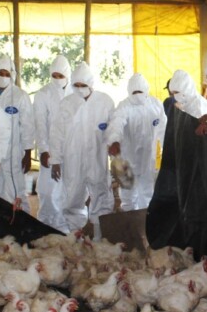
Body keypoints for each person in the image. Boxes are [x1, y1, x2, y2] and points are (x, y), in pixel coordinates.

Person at [49, 62, 115, 237]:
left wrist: (115, 146)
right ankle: (76, 236)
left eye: (83, 85)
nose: (79, 89)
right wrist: (55, 160)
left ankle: (100, 236)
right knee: (72, 197)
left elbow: (114, 129)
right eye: (76, 85)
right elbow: (56, 134)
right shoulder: (66, 104)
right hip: (73, 160)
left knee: (101, 193)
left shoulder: (105, 101)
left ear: (91, 84)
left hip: (97, 158)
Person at [107, 73, 167, 211]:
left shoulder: (156, 105)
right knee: (128, 196)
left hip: (148, 158)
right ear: (129, 92)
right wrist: (114, 140)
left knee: (147, 193)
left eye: (140, 91)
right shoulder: (124, 106)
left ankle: (145, 225)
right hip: (128, 159)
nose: (137, 95)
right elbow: (117, 123)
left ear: (146, 90)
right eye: (134, 92)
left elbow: (163, 130)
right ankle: (131, 225)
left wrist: (166, 149)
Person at [0, 56, 36, 211]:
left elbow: (27, 126)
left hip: (13, 152)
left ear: (12, 75)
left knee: (17, 190)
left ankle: (24, 224)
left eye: (7, 74)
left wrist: (28, 153)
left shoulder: (20, 96)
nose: (3, 77)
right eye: (0, 73)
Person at [32, 55, 71, 232]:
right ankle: (47, 227)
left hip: (71, 150)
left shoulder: (76, 93)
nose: (57, 79)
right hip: (50, 149)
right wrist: (44, 149)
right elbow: (40, 124)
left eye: (60, 75)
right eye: (54, 75)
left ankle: (68, 229)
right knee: (48, 190)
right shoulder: (43, 94)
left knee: (70, 190)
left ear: (67, 75)